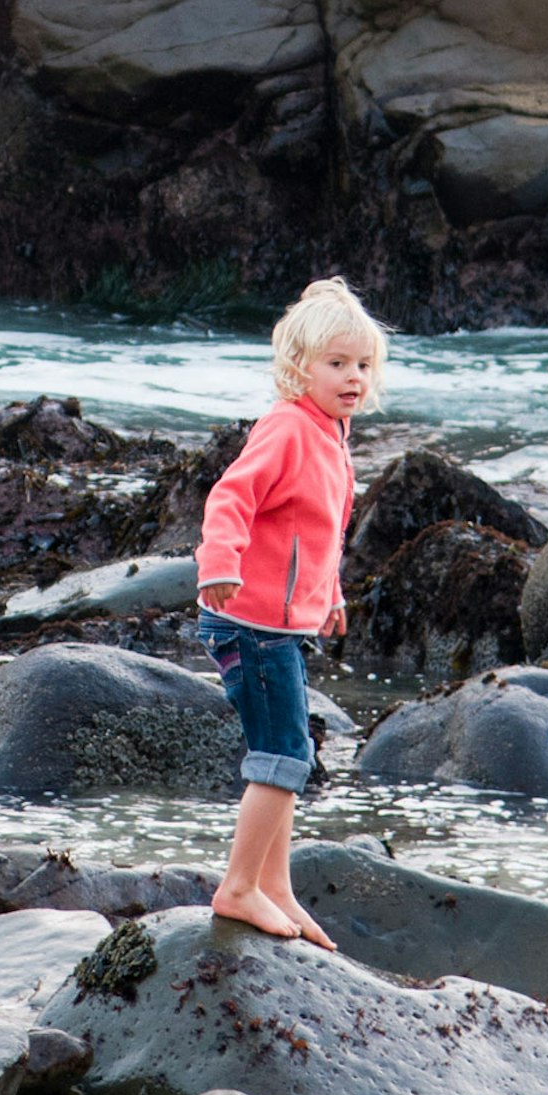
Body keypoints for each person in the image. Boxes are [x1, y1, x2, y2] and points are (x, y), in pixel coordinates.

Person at [195, 276, 386, 945]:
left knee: (287, 750)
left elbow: (317, 528)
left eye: (362, 364)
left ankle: (274, 884)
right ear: (299, 366)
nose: (352, 376)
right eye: (336, 363)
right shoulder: (287, 427)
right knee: (281, 753)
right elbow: (230, 498)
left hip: (279, 623)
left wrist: (327, 593)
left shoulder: (330, 434)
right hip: (247, 620)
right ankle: (238, 885)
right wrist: (219, 561)